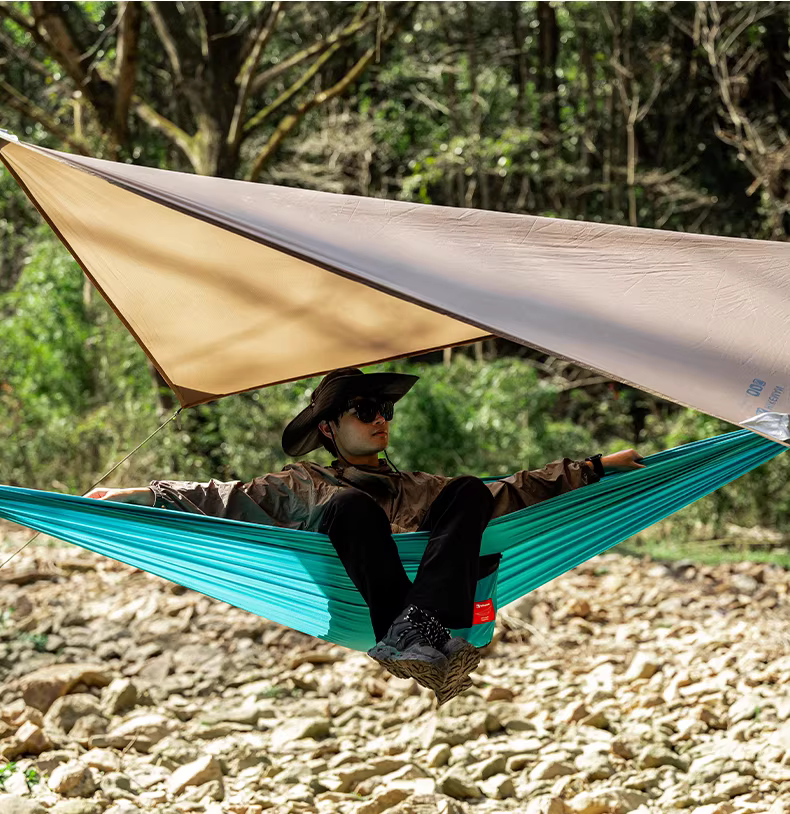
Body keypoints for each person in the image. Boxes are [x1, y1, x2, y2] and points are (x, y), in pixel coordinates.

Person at [88, 367, 644, 704]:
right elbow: (220, 497)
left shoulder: (417, 488)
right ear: (328, 428)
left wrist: (592, 467)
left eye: (386, 410)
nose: (381, 419)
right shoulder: (299, 485)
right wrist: (138, 496)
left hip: (438, 620)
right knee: (350, 507)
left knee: (472, 491)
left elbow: (513, 492)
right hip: (353, 603)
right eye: (365, 410)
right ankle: (412, 633)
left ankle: (416, 631)